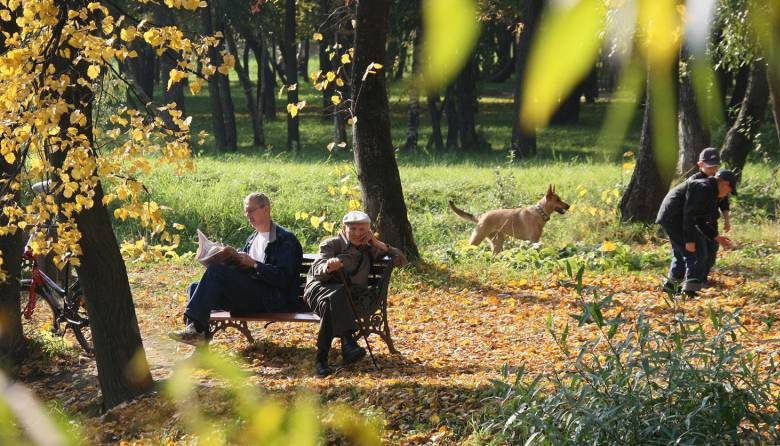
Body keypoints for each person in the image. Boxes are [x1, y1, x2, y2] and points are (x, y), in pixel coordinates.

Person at [169, 193, 304, 345]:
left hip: (272, 299)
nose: (248, 215)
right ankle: (198, 338)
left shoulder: (285, 239)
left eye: (251, 210)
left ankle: (195, 331)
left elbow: (284, 278)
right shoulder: (253, 238)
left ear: (266, 209)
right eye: (246, 212)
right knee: (194, 287)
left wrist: (255, 264)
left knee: (215, 272)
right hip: (249, 295)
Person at [304, 211, 407, 377]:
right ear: (344, 228)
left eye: (362, 229)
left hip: (342, 298)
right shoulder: (332, 244)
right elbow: (317, 272)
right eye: (352, 228)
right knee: (336, 294)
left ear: (369, 231)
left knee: (331, 303)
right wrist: (329, 266)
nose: (357, 233)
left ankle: (321, 359)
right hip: (319, 290)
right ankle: (347, 341)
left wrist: (378, 244)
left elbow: (401, 261)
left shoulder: (370, 249)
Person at [656, 170, 738, 297]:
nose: (726, 194)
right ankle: (689, 291)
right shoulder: (703, 188)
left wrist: (717, 237)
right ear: (724, 184)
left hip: (677, 218)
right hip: (674, 218)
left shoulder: (710, 190)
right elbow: (689, 215)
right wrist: (689, 240)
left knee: (688, 253)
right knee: (694, 253)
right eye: (728, 191)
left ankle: (671, 288)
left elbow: (700, 220)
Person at [687, 148, 732, 286]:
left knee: (712, 252)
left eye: (716, 167)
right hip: (699, 223)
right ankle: (695, 280)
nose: (713, 170)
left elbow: (724, 203)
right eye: (710, 167)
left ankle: (703, 278)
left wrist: (727, 220)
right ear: (700, 164)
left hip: (712, 223)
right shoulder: (694, 181)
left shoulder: (720, 182)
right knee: (701, 253)